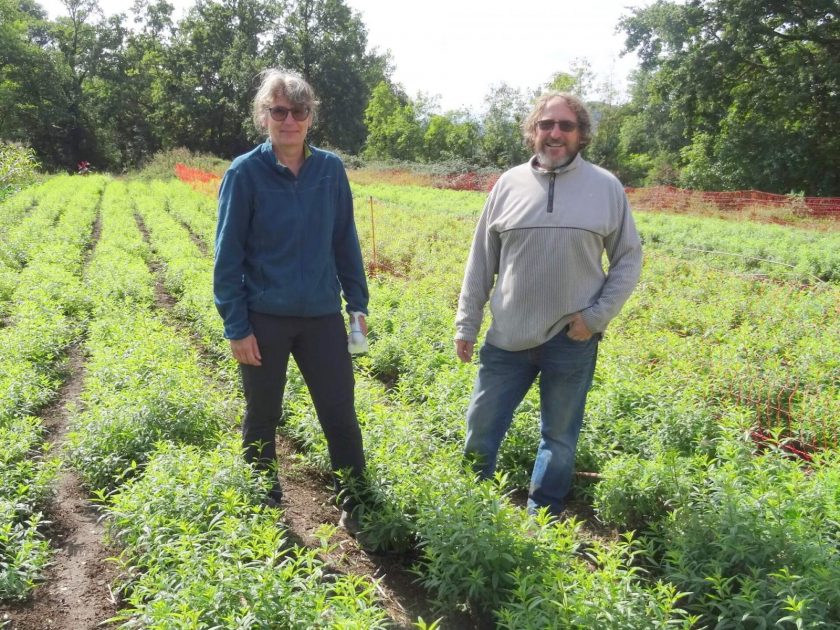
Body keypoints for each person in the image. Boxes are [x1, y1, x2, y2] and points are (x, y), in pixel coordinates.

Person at [454, 92, 642, 517]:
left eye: (565, 125)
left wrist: (594, 319)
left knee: (558, 438)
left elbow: (629, 257)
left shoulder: (606, 187)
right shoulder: (508, 185)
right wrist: (467, 324)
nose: (554, 133)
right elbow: (481, 258)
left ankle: (544, 517)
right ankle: (469, 512)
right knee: (481, 429)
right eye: (545, 124)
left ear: (580, 135)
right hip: (507, 338)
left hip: (570, 341)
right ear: (533, 132)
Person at [214, 68, 369, 530]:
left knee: (339, 410)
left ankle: (356, 501)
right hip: (265, 318)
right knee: (263, 413)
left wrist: (356, 303)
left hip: (322, 316)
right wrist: (237, 327)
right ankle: (263, 504)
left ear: (309, 118)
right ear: (264, 116)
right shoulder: (245, 174)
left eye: (298, 111)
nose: (289, 120)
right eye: (279, 111)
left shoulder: (330, 169)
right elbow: (227, 259)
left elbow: (346, 240)